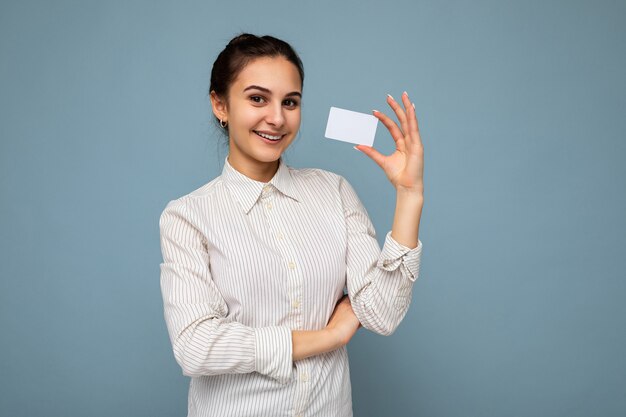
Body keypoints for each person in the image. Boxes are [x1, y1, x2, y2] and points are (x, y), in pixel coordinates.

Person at [159, 33, 424, 417]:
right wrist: (329, 336)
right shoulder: (187, 216)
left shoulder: (334, 190)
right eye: (257, 98)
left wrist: (409, 195)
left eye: (290, 102)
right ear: (220, 105)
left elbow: (380, 313)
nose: (277, 118)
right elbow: (196, 347)